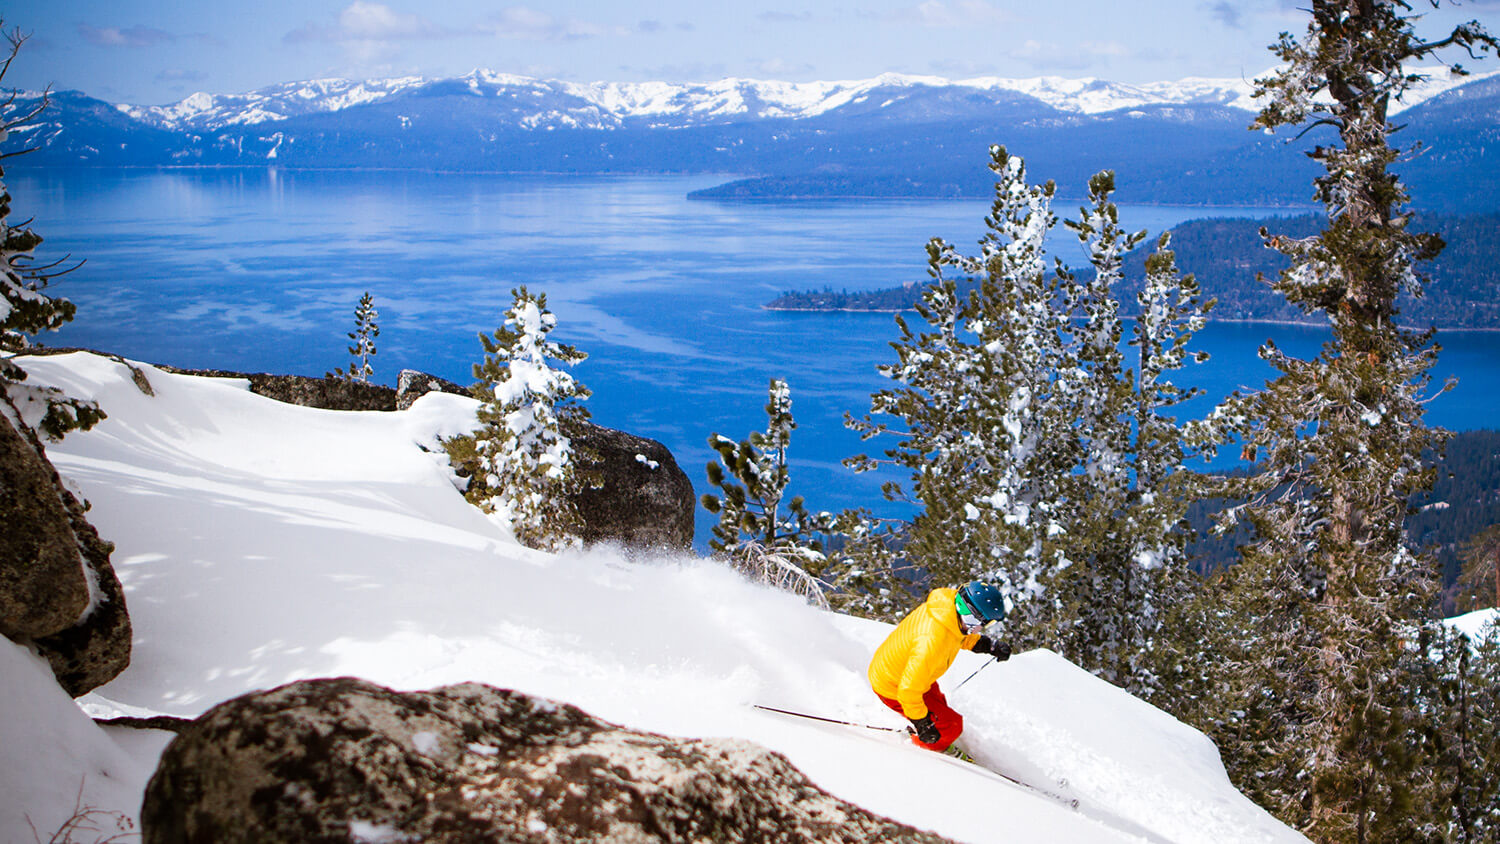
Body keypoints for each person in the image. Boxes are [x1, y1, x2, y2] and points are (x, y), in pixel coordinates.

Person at [868, 581, 1012, 752]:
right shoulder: (933, 642)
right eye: (986, 623)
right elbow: (908, 691)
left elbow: (958, 635)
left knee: (940, 706)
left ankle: (930, 733)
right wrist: (922, 725)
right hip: (892, 685)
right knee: (951, 725)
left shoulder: (947, 611)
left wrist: (989, 646)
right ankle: (927, 751)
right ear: (971, 617)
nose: (984, 628)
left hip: (902, 671)